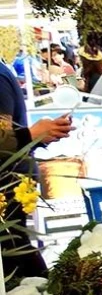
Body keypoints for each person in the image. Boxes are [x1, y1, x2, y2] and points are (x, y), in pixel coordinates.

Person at [0, 58, 72, 278]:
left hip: (10, 180)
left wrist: (31, 135)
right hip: (15, 174)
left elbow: (3, 137)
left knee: (15, 254)